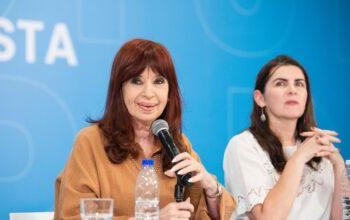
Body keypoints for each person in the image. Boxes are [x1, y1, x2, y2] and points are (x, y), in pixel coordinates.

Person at [54, 39, 235, 220]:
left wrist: (211, 188)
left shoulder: (178, 143)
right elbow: (74, 216)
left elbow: (208, 214)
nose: (149, 93)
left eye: (158, 81)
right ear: (120, 89)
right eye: (137, 81)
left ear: (169, 92)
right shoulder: (90, 141)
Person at [223, 55, 344, 219]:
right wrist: (298, 158)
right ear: (260, 98)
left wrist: (338, 166)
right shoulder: (243, 146)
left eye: (299, 84)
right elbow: (267, 217)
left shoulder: (319, 149)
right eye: (280, 83)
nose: (292, 90)